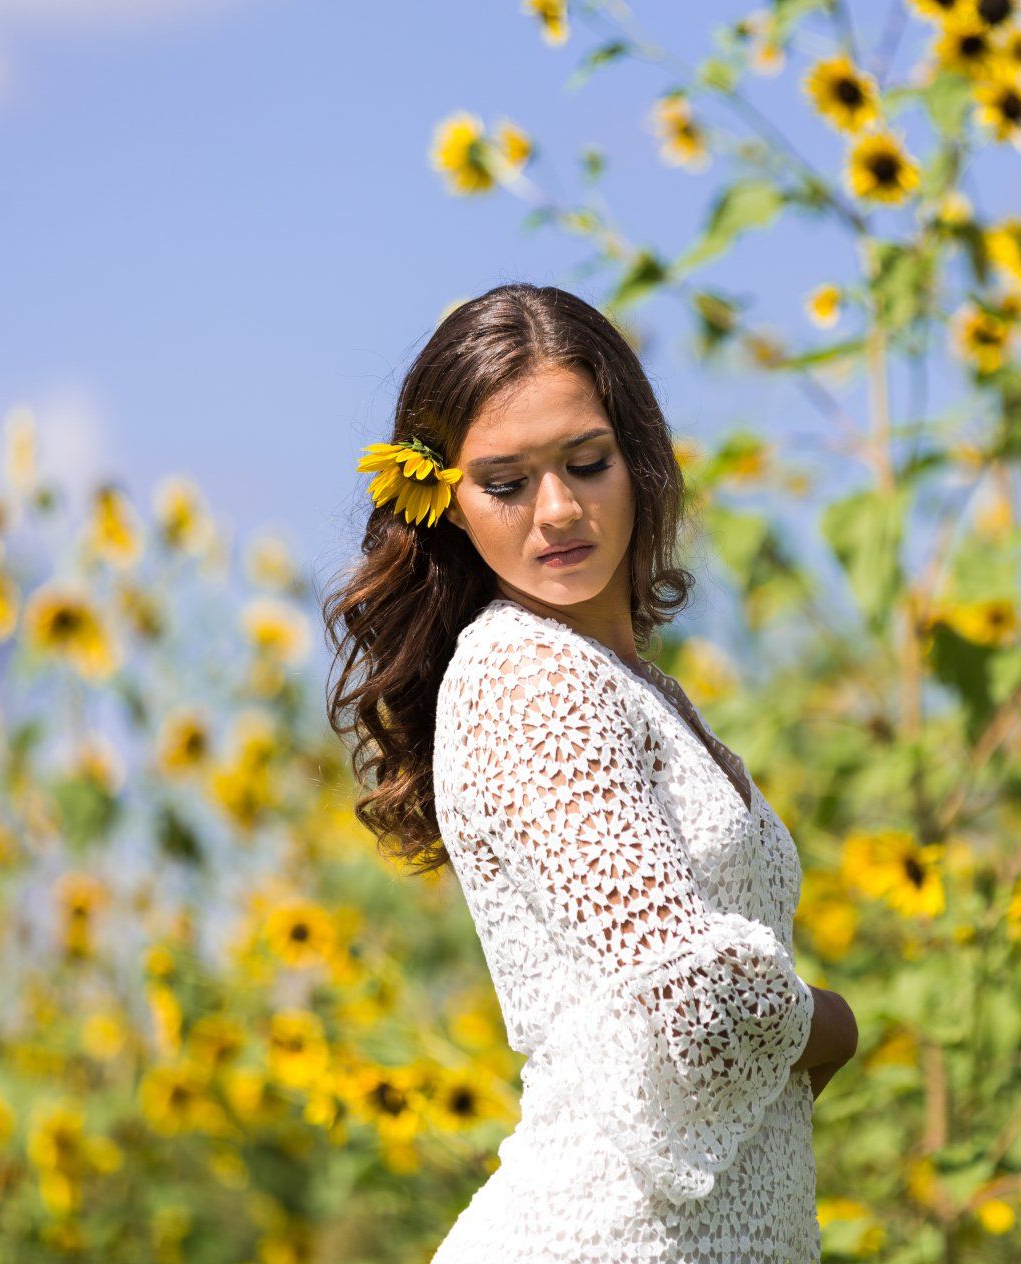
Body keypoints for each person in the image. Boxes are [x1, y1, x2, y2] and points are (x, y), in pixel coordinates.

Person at [322, 282, 858, 1262]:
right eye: (506, 481)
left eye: (586, 462)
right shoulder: (532, 675)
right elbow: (694, 1002)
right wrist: (832, 1023)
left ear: (639, 457)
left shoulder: (627, 682)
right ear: (447, 504)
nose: (558, 510)